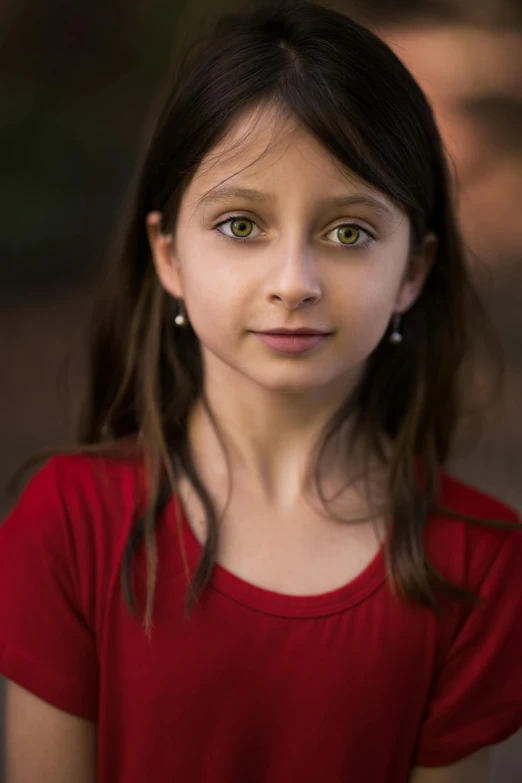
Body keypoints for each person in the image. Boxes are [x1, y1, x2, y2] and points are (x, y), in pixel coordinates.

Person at [1, 1, 521, 781]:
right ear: (168, 252)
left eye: (348, 232)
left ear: (413, 269)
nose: (293, 284)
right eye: (242, 224)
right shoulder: (68, 523)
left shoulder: (479, 566)